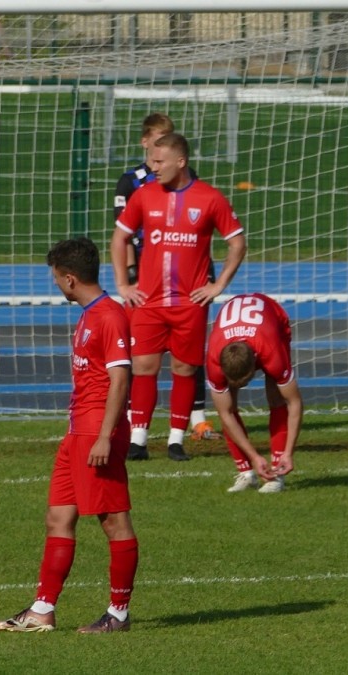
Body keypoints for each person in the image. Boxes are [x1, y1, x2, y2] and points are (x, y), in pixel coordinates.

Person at [0, 237, 138, 634]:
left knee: (114, 522)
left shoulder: (109, 317)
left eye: (56, 278)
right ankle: (42, 610)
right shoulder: (89, 314)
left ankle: (118, 614)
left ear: (70, 279)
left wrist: (105, 436)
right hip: (78, 432)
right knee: (58, 516)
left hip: (96, 434)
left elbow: (121, 380)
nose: (55, 284)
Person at [111, 132, 246, 462]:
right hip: (149, 301)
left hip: (190, 303)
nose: (153, 167)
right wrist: (124, 286)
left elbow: (237, 243)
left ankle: (176, 440)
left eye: (159, 162)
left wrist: (218, 286)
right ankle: (138, 438)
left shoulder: (209, 197)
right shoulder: (144, 196)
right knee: (144, 365)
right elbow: (119, 238)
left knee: (185, 368)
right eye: (152, 161)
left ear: (180, 162)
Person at [205, 293, 303, 493]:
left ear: (256, 363)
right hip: (236, 332)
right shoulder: (214, 359)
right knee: (228, 406)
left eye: (244, 381)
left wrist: (288, 452)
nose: (241, 386)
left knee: (276, 397)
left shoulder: (270, 353)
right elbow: (225, 414)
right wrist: (254, 457)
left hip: (272, 318)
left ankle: (277, 473)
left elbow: (294, 403)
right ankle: (246, 472)